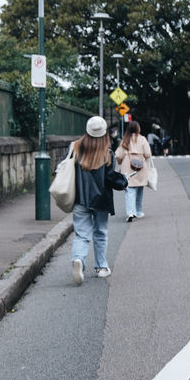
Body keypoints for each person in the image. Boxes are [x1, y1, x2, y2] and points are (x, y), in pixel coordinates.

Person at [70, 116, 128, 284]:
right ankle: (101, 267)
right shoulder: (107, 153)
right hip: (101, 200)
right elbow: (110, 178)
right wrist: (123, 181)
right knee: (100, 232)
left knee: (82, 234)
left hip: (80, 198)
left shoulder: (76, 149)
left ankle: (78, 260)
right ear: (104, 134)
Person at [115, 120, 152, 222]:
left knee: (129, 190)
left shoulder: (125, 140)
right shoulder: (142, 139)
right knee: (140, 190)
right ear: (138, 128)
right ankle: (139, 211)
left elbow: (118, 155)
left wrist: (120, 162)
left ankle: (131, 212)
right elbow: (148, 153)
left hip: (128, 166)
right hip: (140, 167)